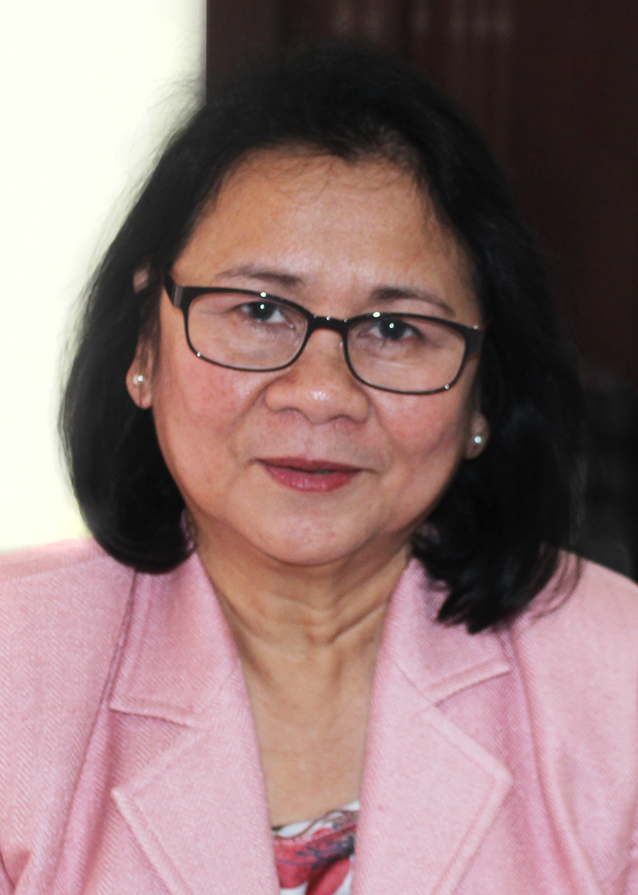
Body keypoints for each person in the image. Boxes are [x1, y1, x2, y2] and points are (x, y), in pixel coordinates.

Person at [0, 44, 636, 895]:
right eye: (260, 310)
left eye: (397, 329)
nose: (322, 393)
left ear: (484, 395)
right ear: (146, 343)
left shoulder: (620, 682)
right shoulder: (16, 665)